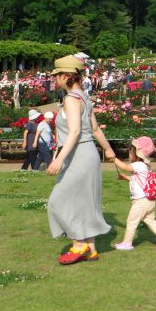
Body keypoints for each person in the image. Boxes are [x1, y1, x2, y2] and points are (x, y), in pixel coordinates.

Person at [46, 55, 116, 265]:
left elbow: (75, 132)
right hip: (88, 154)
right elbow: (94, 129)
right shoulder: (84, 97)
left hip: (78, 155)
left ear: (66, 76)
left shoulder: (71, 99)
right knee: (85, 202)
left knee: (57, 201)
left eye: (57, 75)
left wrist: (58, 159)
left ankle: (79, 245)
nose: (54, 79)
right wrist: (109, 151)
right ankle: (91, 249)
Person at [112, 136, 156, 251]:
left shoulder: (138, 165)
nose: (129, 154)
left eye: (131, 152)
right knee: (151, 220)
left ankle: (127, 243)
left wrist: (113, 158)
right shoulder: (144, 166)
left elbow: (124, 166)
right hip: (148, 201)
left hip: (141, 201)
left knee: (132, 221)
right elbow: (138, 180)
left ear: (137, 153)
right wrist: (126, 178)